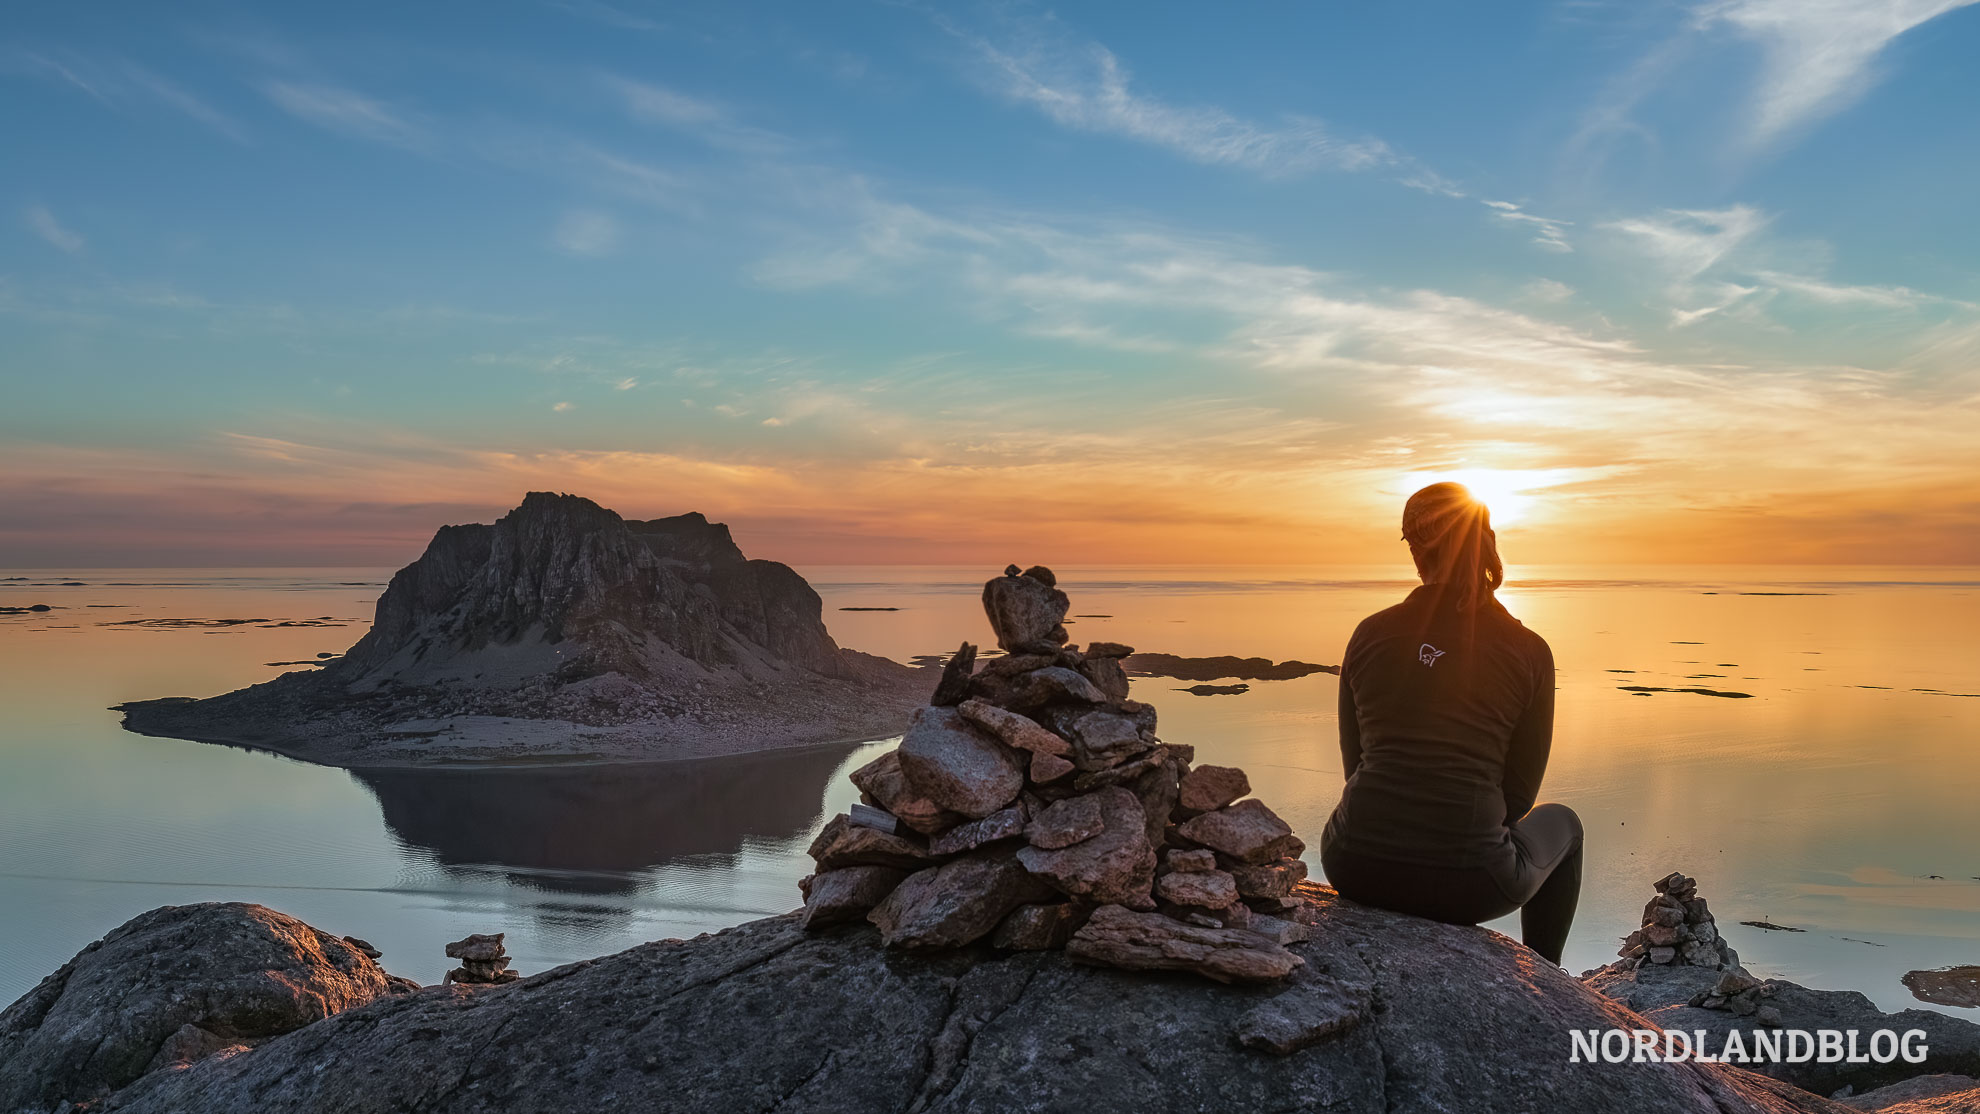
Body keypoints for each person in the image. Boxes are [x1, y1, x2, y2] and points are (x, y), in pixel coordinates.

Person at [1318, 481, 1583, 965]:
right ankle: (1545, 976)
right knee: (1565, 823)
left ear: (1416, 550)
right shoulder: (1528, 651)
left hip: (1355, 865)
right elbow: (1519, 797)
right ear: (1487, 540)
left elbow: (1354, 766)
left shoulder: (1370, 633)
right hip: (1469, 885)